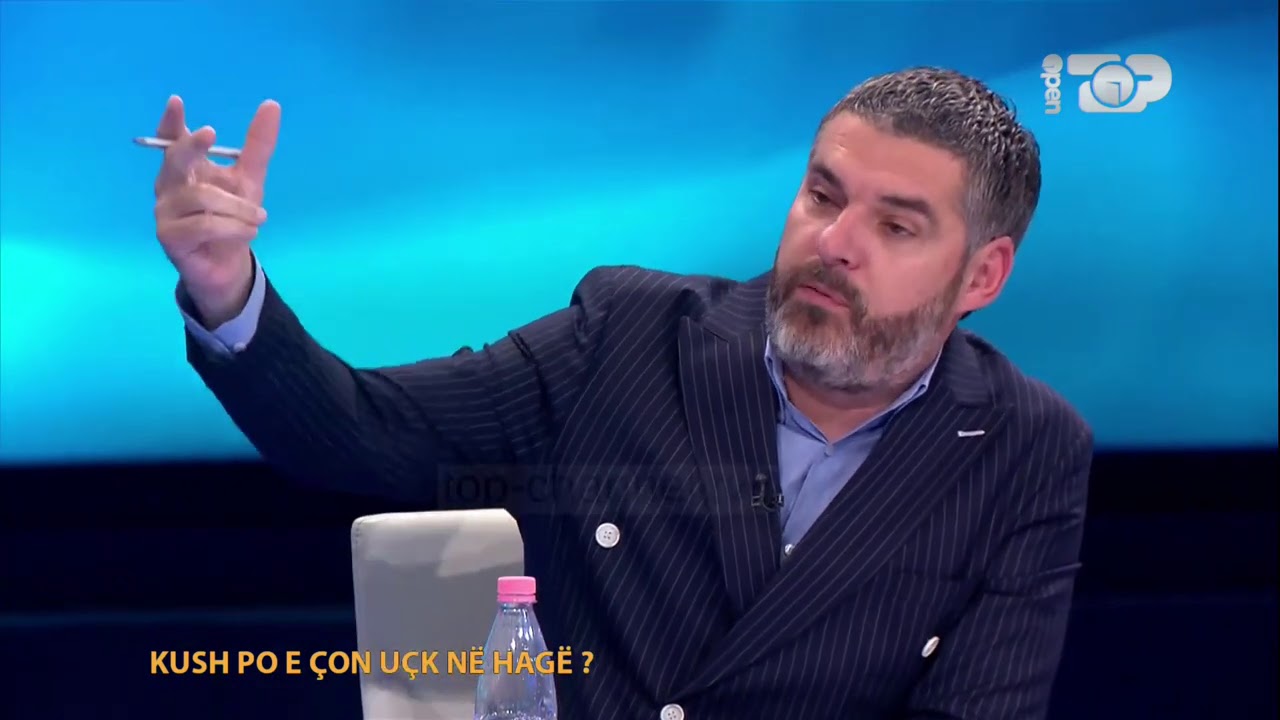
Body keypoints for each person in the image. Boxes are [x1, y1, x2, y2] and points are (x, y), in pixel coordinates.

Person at [152, 67, 1092, 720]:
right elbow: (357, 433)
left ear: (981, 276)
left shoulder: (1025, 447)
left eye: (896, 226)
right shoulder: (631, 334)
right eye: (822, 195)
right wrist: (224, 285)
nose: (835, 242)